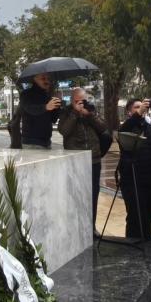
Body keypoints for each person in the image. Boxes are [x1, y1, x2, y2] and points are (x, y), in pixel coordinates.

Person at [58, 87, 108, 234]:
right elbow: (64, 131)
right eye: (77, 101)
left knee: (93, 194)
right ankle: (75, 227)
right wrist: (74, 113)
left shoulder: (91, 110)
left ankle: (91, 227)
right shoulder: (66, 112)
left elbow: (103, 127)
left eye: (83, 100)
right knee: (75, 194)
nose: (81, 103)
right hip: (75, 160)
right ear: (72, 100)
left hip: (94, 159)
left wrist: (89, 115)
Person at [117, 98, 151, 240]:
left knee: (150, 215)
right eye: (136, 107)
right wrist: (138, 114)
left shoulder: (150, 127)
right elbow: (123, 131)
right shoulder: (127, 127)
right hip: (133, 180)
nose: (141, 109)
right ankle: (133, 245)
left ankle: (147, 242)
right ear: (129, 111)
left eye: (142, 107)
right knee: (135, 216)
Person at [18, 73, 62, 149]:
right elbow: (30, 109)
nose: (47, 81)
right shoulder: (26, 94)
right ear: (35, 79)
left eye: (48, 79)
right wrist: (46, 107)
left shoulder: (48, 96)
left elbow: (53, 119)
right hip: (31, 142)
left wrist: (57, 107)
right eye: (43, 79)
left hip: (47, 141)